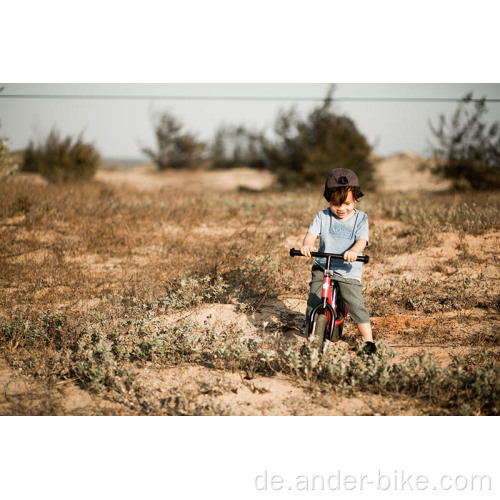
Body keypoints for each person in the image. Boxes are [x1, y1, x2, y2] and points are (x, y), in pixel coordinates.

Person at [300, 168, 377, 355]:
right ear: (328, 200)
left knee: (355, 303)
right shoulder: (323, 216)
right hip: (323, 265)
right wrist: (307, 245)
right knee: (313, 299)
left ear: (356, 198)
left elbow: (362, 240)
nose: (341, 208)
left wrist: (354, 251)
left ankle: (368, 341)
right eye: (335, 204)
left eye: (347, 203)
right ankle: (311, 337)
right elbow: (311, 234)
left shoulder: (360, 218)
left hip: (347, 268)